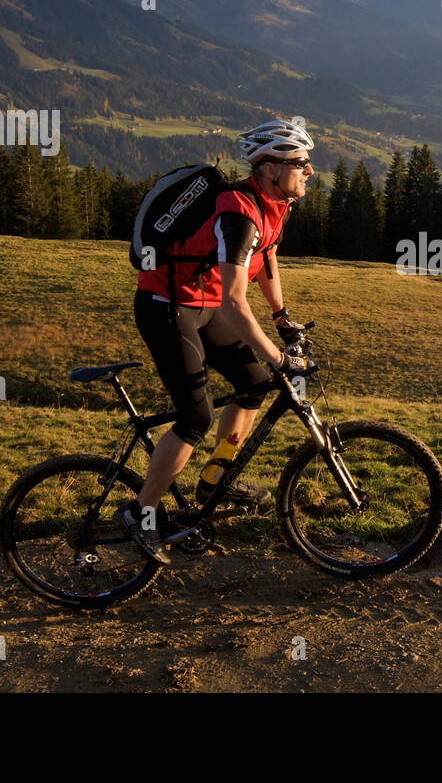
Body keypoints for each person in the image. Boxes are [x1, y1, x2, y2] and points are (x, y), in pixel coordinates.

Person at [116, 119, 316, 564]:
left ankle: (216, 475)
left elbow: (267, 260)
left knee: (255, 385)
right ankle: (140, 514)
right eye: (301, 163)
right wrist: (275, 354)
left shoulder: (275, 204)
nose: (309, 171)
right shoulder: (237, 212)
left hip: (204, 304)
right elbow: (232, 300)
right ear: (269, 168)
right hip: (166, 304)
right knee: (195, 417)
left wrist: (282, 317)